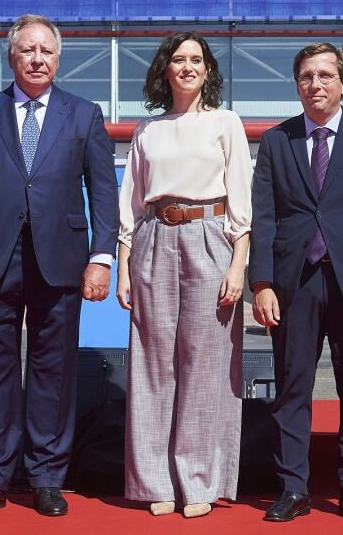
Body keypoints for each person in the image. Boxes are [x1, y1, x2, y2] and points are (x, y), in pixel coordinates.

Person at [0, 14, 118, 518]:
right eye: (27, 50)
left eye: (46, 51)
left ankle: (45, 475)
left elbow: (102, 193)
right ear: (11, 56)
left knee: (53, 372)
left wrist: (101, 258)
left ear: (59, 59)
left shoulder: (84, 115)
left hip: (61, 261)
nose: (37, 59)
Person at [250, 42, 343, 524]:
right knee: (292, 390)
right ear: (297, 85)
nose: (316, 85)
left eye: (326, 76)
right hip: (294, 283)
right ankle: (294, 488)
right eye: (307, 77)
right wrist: (263, 283)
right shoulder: (277, 141)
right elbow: (265, 216)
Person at [116, 32, 252, 519]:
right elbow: (132, 200)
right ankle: (154, 480)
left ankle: (198, 480)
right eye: (179, 59)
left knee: (206, 361)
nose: (188, 66)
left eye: (197, 59)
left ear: (208, 70)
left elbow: (241, 198)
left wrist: (238, 262)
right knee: (152, 360)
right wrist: (124, 264)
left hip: (210, 236)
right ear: (165, 70)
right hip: (153, 237)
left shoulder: (226, 122)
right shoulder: (146, 130)